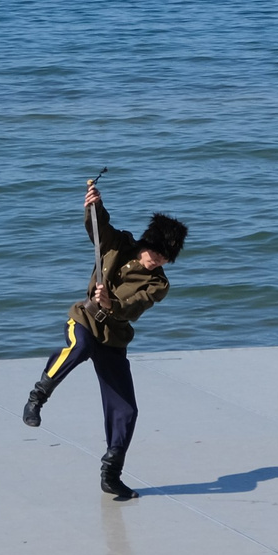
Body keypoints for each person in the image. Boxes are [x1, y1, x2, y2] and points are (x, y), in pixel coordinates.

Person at [20, 180, 186, 502]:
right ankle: (37, 397)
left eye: (165, 258)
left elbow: (134, 307)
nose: (158, 261)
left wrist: (113, 305)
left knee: (126, 410)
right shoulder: (118, 244)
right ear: (147, 243)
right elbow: (99, 227)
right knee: (80, 347)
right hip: (84, 320)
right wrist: (93, 204)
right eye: (156, 253)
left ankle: (111, 474)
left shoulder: (159, 284)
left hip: (114, 338)